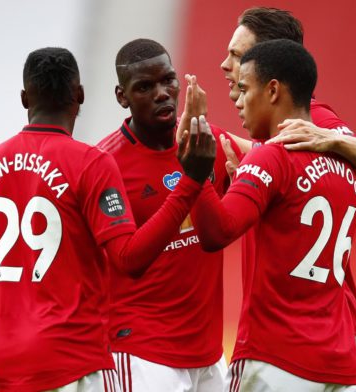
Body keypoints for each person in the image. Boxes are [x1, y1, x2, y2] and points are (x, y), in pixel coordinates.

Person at [0, 47, 217, 392]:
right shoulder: (92, 162)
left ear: (25, 98)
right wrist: (190, 183)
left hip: (8, 361)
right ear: (79, 95)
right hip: (75, 359)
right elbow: (128, 258)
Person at [212, 7, 356, 386]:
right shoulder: (272, 139)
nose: (225, 65)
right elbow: (296, 178)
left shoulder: (314, 119)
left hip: (307, 333)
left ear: (268, 65)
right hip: (328, 343)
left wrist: (330, 138)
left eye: (237, 55)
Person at [193, 39, 356, 390]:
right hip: (340, 365)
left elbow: (217, 232)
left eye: (244, 88)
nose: (239, 102)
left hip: (276, 360)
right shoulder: (344, 159)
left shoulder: (272, 156)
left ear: (272, 90)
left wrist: (196, 177)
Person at [97, 38, 241, 391]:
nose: (162, 93)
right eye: (145, 87)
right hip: (142, 354)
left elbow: (277, 169)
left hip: (208, 355)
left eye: (168, 80)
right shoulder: (104, 164)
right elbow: (126, 259)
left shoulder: (210, 141)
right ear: (122, 97)